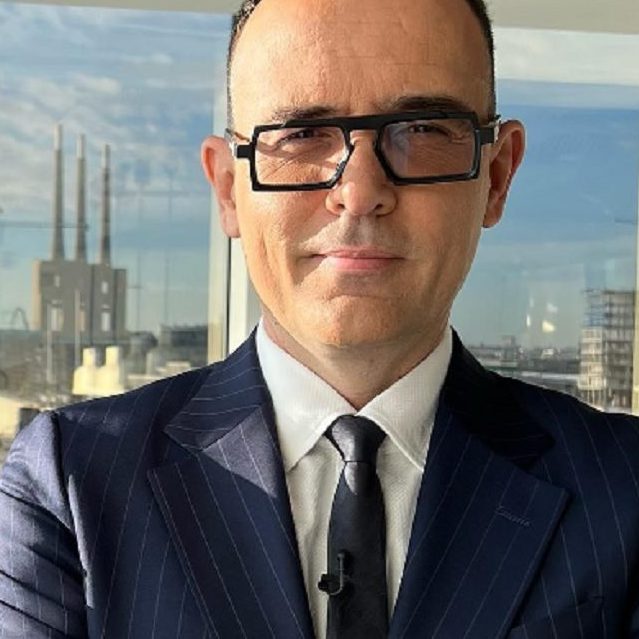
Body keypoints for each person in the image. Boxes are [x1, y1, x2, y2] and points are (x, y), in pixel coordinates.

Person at [1, 0, 639, 636]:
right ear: (228, 189)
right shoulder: (69, 484)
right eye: (301, 135)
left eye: (422, 129)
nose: (359, 192)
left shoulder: (626, 488)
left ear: (496, 177)